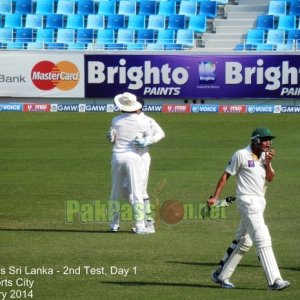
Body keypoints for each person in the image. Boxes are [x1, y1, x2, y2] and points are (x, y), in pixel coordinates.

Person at [207, 128, 290, 290]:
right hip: (247, 201)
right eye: (264, 139)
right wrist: (215, 196)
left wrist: (267, 163)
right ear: (255, 140)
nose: (268, 142)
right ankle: (275, 280)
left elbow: (270, 178)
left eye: (269, 139)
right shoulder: (241, 154)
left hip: (260, 201)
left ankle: (221, 275)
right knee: (262, 238)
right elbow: (226, 175)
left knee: (245, 241)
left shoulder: (265, 156)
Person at [107, 92, 154, 235]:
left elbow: (113, 138)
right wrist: (146, 141)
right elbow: (150, 136)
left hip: (117, 156)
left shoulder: (116, 120)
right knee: (137, 192)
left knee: (115, 191)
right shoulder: (142, 121)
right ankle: (140, 226)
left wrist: (111, 136)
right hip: (133, 157)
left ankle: (113, 224)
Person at [133, 97, 165, 233]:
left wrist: (148, 140)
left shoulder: (147, 120)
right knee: (128, 189)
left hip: (141, 157)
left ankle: (148, 222)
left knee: (140, 189)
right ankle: (139, 221)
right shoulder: (123, 119)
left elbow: (161, 133)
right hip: (126, 157)